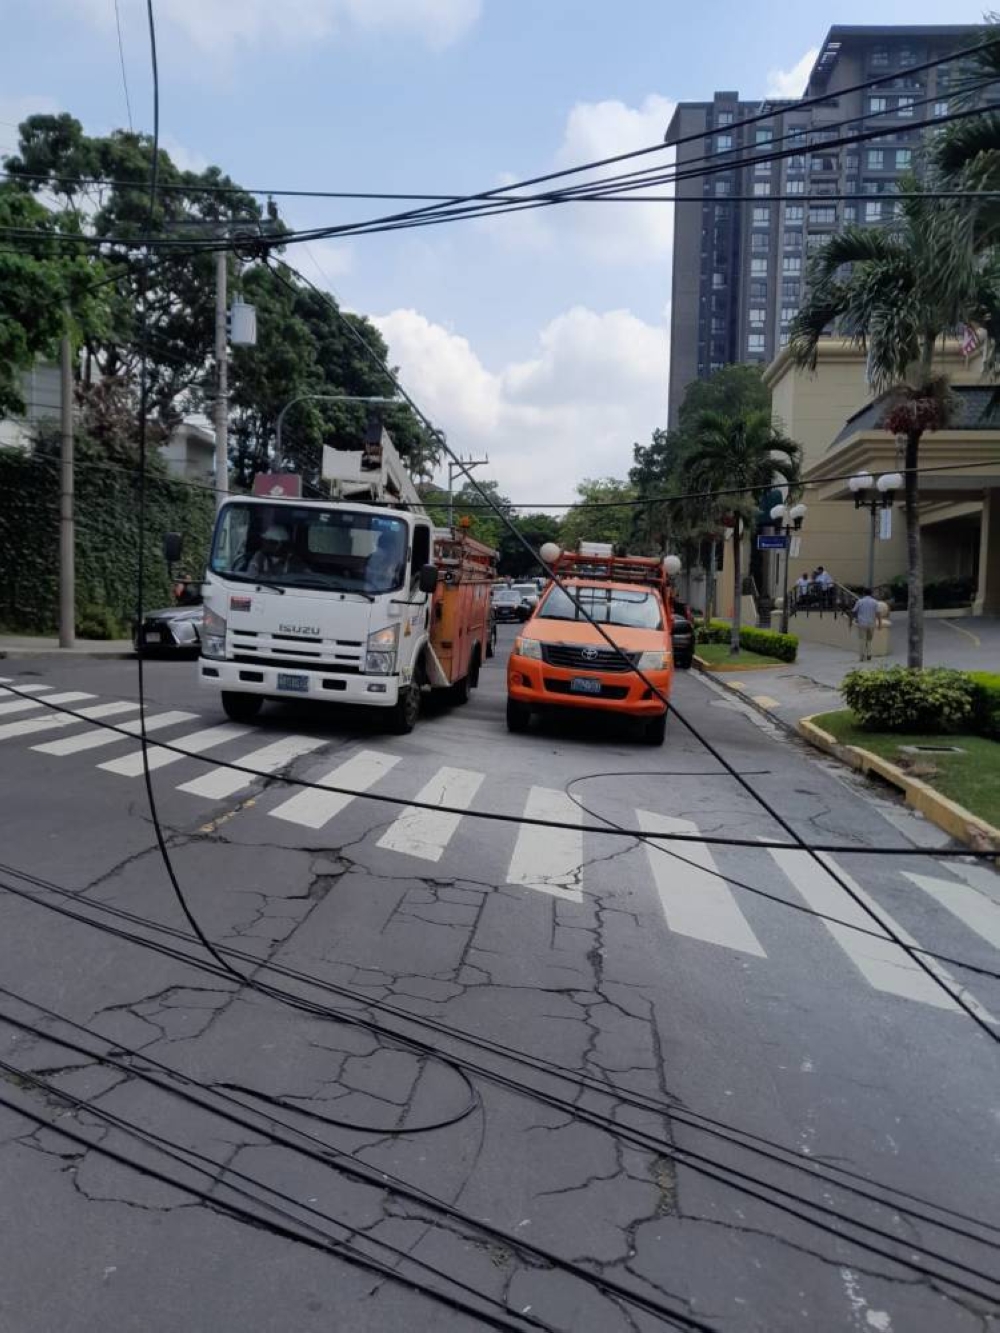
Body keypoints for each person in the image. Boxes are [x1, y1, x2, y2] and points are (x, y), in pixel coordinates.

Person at [854, 587, 882, 661]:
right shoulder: (875, 602)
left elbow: (854, 611)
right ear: (871, 594)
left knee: (862, 639)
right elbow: (878, 613)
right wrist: (879, 623)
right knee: (869, 640)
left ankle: (862, 656)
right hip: (871, 623)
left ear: (863, 593)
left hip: (862, 623)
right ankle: (869, 654)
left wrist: (855, 619)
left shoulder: (859, 601)